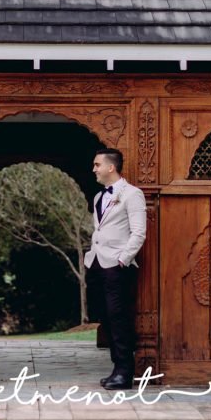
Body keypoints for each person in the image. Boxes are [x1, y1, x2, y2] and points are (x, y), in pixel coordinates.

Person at [84, 148, 147, 390]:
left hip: (118, 267)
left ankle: (124, 372)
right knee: (106, 318)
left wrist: (123, 259)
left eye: (97, 164)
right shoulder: (99, 198)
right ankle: (115, 369)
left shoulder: (133, 194)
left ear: (111, 167)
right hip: (98, 264)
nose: (94, 169)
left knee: (119, 318)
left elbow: (139, 232)